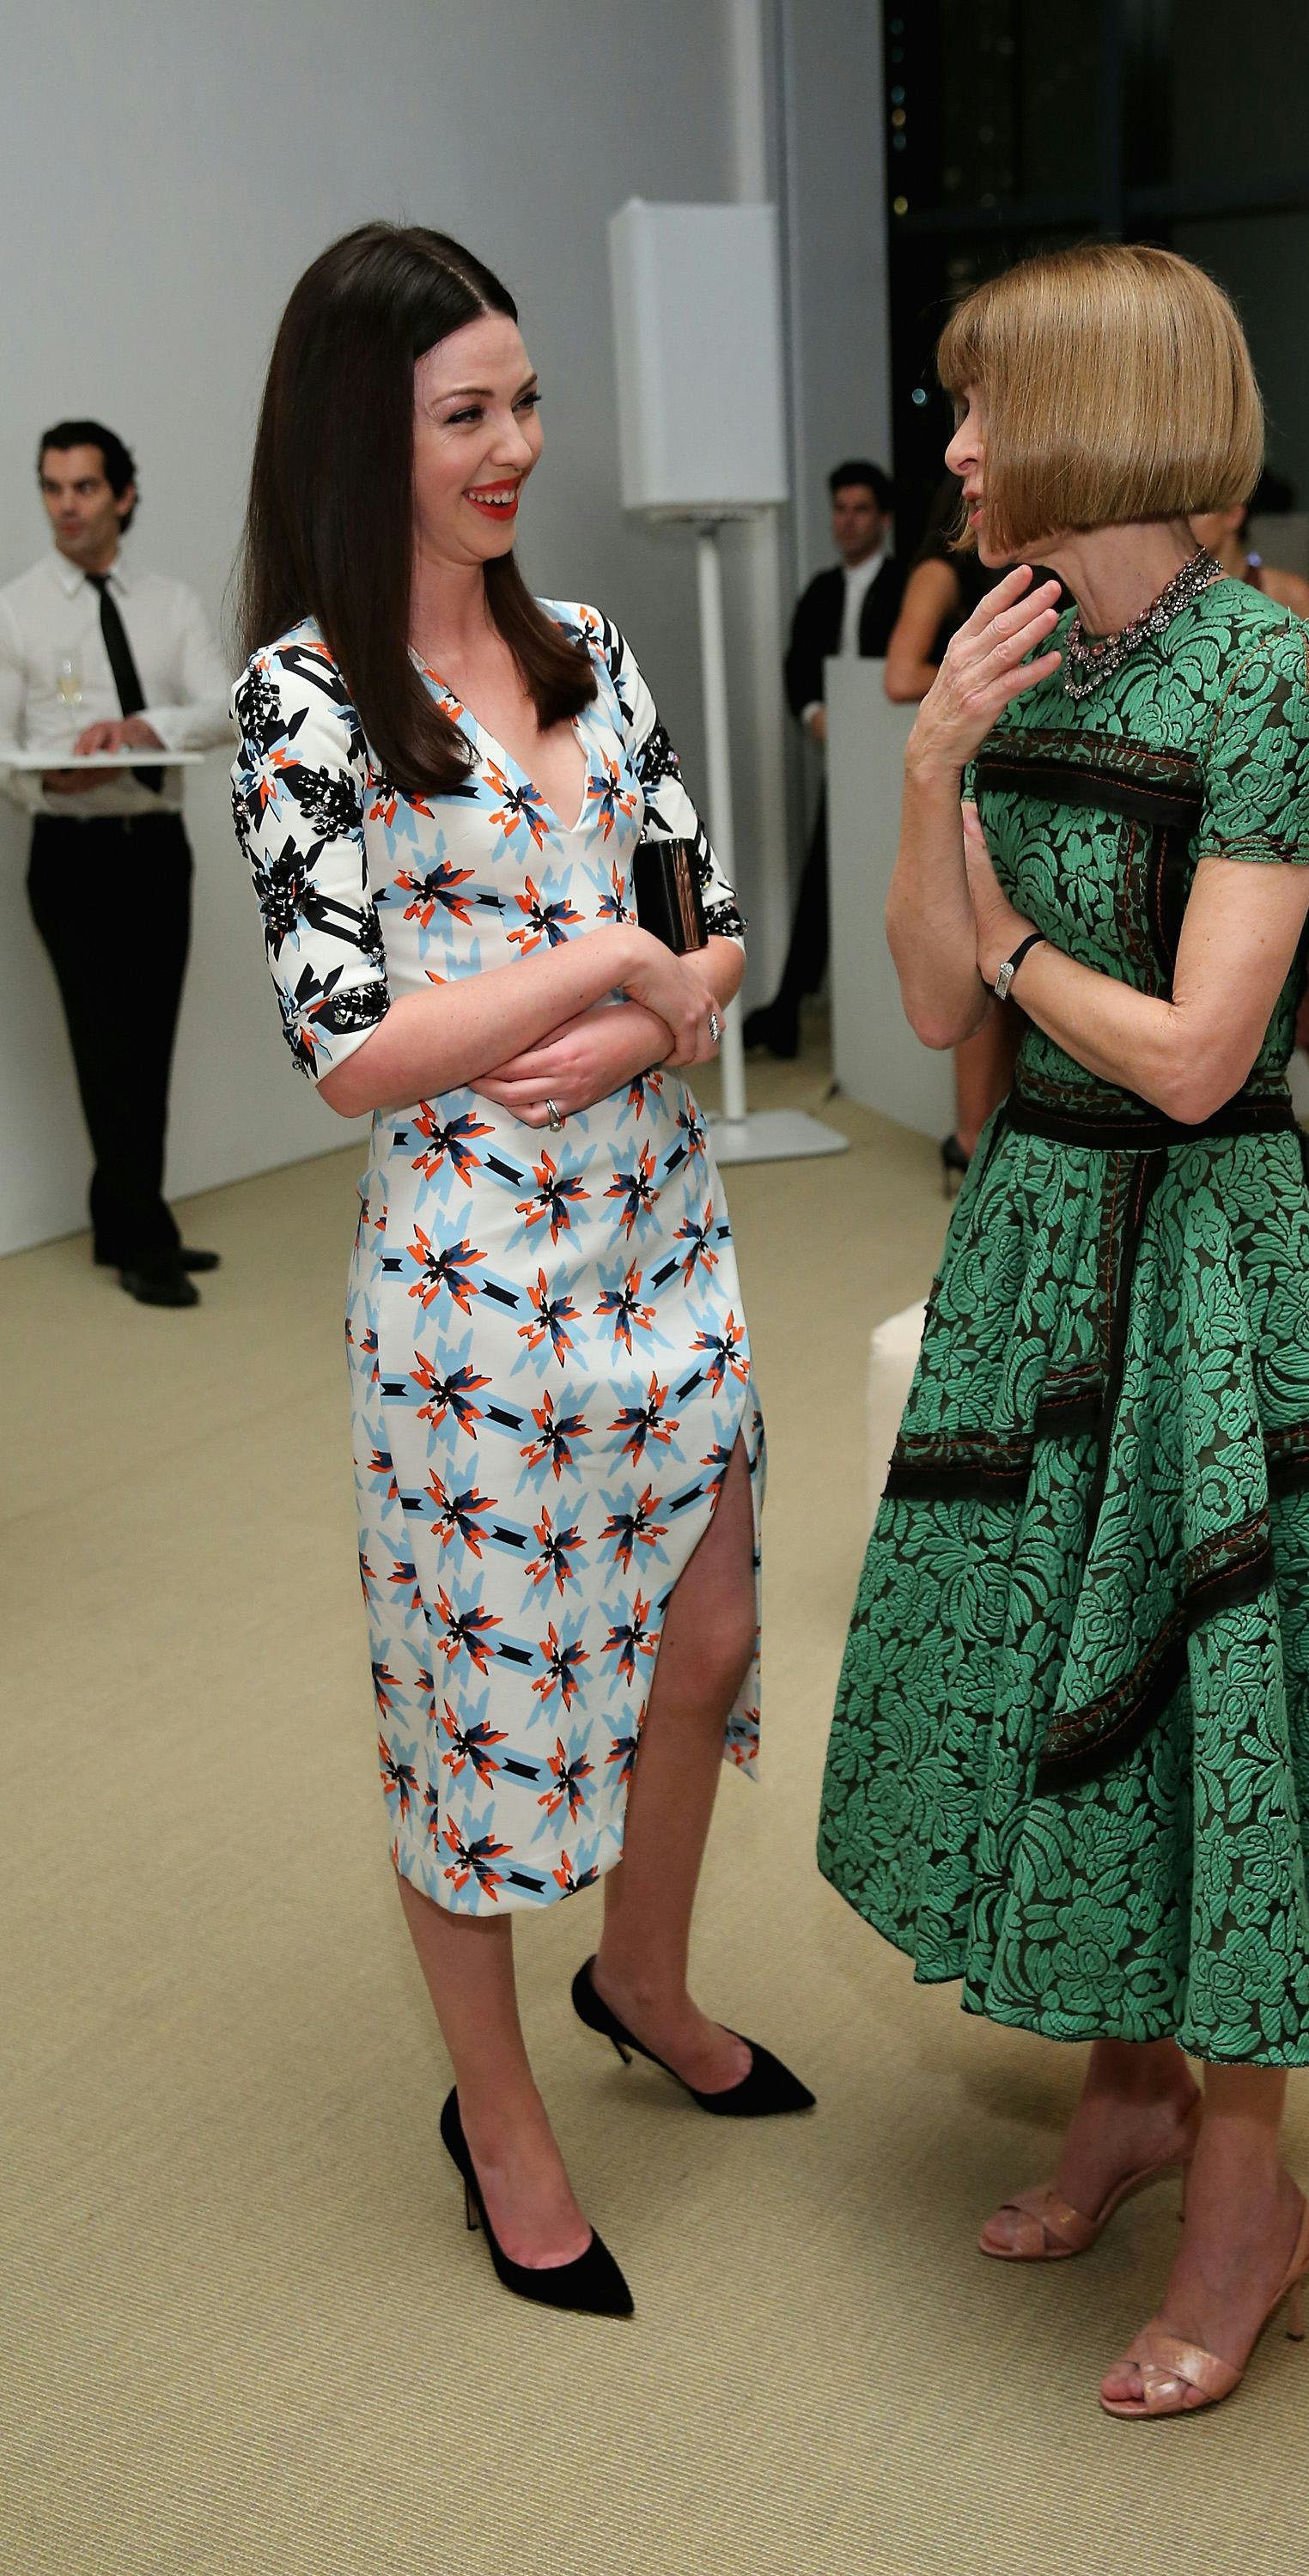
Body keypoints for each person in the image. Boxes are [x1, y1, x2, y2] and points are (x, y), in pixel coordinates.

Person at [818, 243, 1309, 2421]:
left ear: (1092, 411)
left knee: (1208, 1700)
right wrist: (930, 773)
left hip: (1195, 1242)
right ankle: (1118, 2100)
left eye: (978, 405)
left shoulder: (1257, 675)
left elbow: (1207, 1053)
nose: (951, 445)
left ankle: (1246, 2203)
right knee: (1052, 1659)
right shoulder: (1016, 648)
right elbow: (925, 999)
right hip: (1039, 1226)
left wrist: (1010, 947)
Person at [232, 223, 811, 2320]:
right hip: (472, 1291)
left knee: (712, 1632)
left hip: (663, 1232)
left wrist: (668, 1006)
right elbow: (346, 1046)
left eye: (524, 401)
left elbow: (714, 916)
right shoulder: (300, 703)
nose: (515, 446)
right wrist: (598, 966)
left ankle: (638, 1972)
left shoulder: (592, 646)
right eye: (464, 413)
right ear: (358, 434)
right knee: (473, 1722)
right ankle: (494, 2121)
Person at [0, 421, 232, 1303]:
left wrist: (145, 729)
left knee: (149, 1043)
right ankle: (146, 1245)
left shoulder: (168, 604)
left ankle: (123, 1222)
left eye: (84, 488)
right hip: (70, 854)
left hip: (154, 851)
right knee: (105, 1050)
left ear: (123, 496)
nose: (65, 506)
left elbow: (221, 709)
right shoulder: (18, 608)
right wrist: (43, 783)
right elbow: (4, 747)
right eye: (51, 487)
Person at [1192, 496, 1309, 1185]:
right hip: (1207, 816)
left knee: (1299, 975)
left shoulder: (1288, 593)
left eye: (1201, 507)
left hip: (1280, 818)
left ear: (1235, 512)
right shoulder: (1185, 597)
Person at [742, 460, 904, 1060]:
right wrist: (814, 714)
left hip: (892, 762)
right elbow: (797, 668)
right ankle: (788, 1006)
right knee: (823, 877)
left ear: (883, 520)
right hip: (843, 760)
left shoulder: (906, 587)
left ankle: (824, 1013)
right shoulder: (820, 591)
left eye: (861, 509)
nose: (847, 521)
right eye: (839, 509)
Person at [883, 474, 1017, 1187]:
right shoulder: (939, 571)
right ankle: (968, 1138)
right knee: (979, 967)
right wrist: (994, 674)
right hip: (976, 769)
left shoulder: (1038, 571)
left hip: (1023, 763)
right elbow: (900, 674)